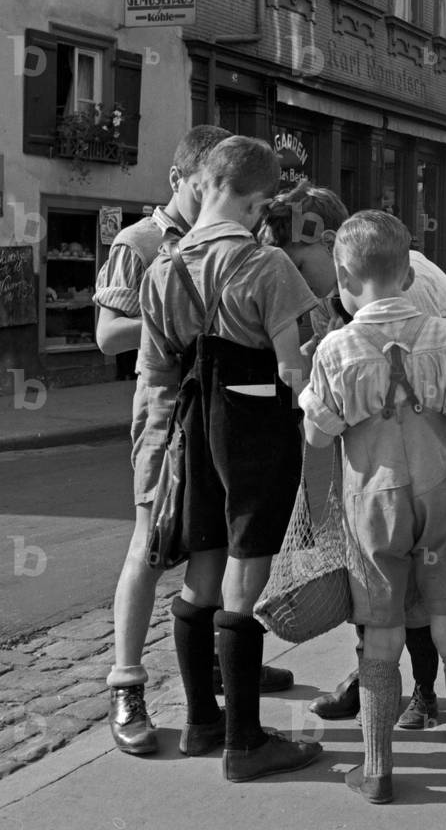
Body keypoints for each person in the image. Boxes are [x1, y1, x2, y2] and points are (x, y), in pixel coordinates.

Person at [94, 125, 294, 757]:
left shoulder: (202, 257)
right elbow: (112, 340)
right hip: (178, 419)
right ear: (190, 179)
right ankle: (130, 683)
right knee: (154, 549)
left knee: (208, 555)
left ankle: (212, 690)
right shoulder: (143, 246)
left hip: (203, 417)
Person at [137, 136, 322, 782]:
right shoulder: (267, 267)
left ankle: (200, 722)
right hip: (253, 428)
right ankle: (246, 742)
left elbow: (160, 362)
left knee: (203, 567)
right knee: (245, 577)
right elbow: (293, 367)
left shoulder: (163, 268)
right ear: (258, 202)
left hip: (193, 425)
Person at [300, 210, 446, 805]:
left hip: (373, 506)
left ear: (342, 277)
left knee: (379, 637)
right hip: (439, 499)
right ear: (410, 273)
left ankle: (379, 770)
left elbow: (316, 434)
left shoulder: (336, 347)